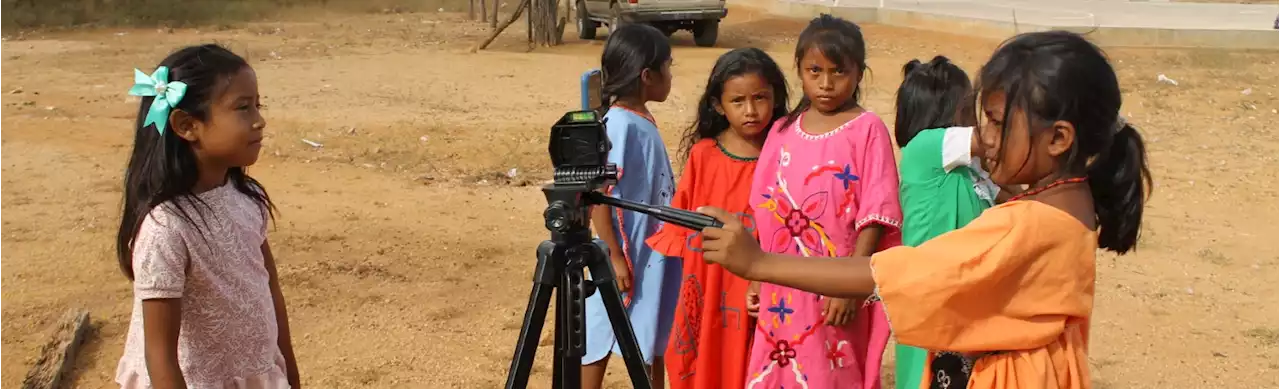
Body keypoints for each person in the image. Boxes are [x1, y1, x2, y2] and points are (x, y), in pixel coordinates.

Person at [697, 30, 1152, 389]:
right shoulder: (1067, 204)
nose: (984, 136)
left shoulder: (1027, 224)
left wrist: (758, 263)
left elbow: (887, 273)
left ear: (1058, 139)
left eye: (994, 121)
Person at [113, 44, 301, 389]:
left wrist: (288, 370)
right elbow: (160, 355)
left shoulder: (249, 198)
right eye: (243, 108)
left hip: (254, 373)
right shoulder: (167, 228)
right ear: (187, 125)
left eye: (258, 105)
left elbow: (271, 292)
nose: (260, 120)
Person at [742, 14, 901, 389]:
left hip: (835, 291)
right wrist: (756, 278)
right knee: (780, 369)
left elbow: (876, 214)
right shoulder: (782, 131)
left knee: (830, 373)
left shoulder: (867, 130)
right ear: (799, 69)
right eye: (815, 71)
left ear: (859, 73)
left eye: (838, 72)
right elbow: (762, 207)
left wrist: (850, 285)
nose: (826, 83)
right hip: (781, 285)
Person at [644, 47, 790, 389]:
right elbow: (681, 233)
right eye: (738, 101)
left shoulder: (786, 152)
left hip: (767, 283)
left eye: (760, 98)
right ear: (717, 105)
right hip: (711, 285)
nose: (751, 110)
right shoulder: (704, 155)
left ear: (776, 97)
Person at [890, 55, 998, 389]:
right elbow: (995, 143)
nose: (977, 121)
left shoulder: (969, 171)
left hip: (961, 300)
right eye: (969, 108)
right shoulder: (926, 147)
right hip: (931, 296)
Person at [582, 23, 679, 389]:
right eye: (668, 67)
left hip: (648, 249)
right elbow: (599, 196)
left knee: (651, 327)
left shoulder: (637, 121)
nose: (671, 75)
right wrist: (614, 255)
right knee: (602, 326)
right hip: (628, 251)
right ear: (647, 75)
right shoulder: (621, 124)